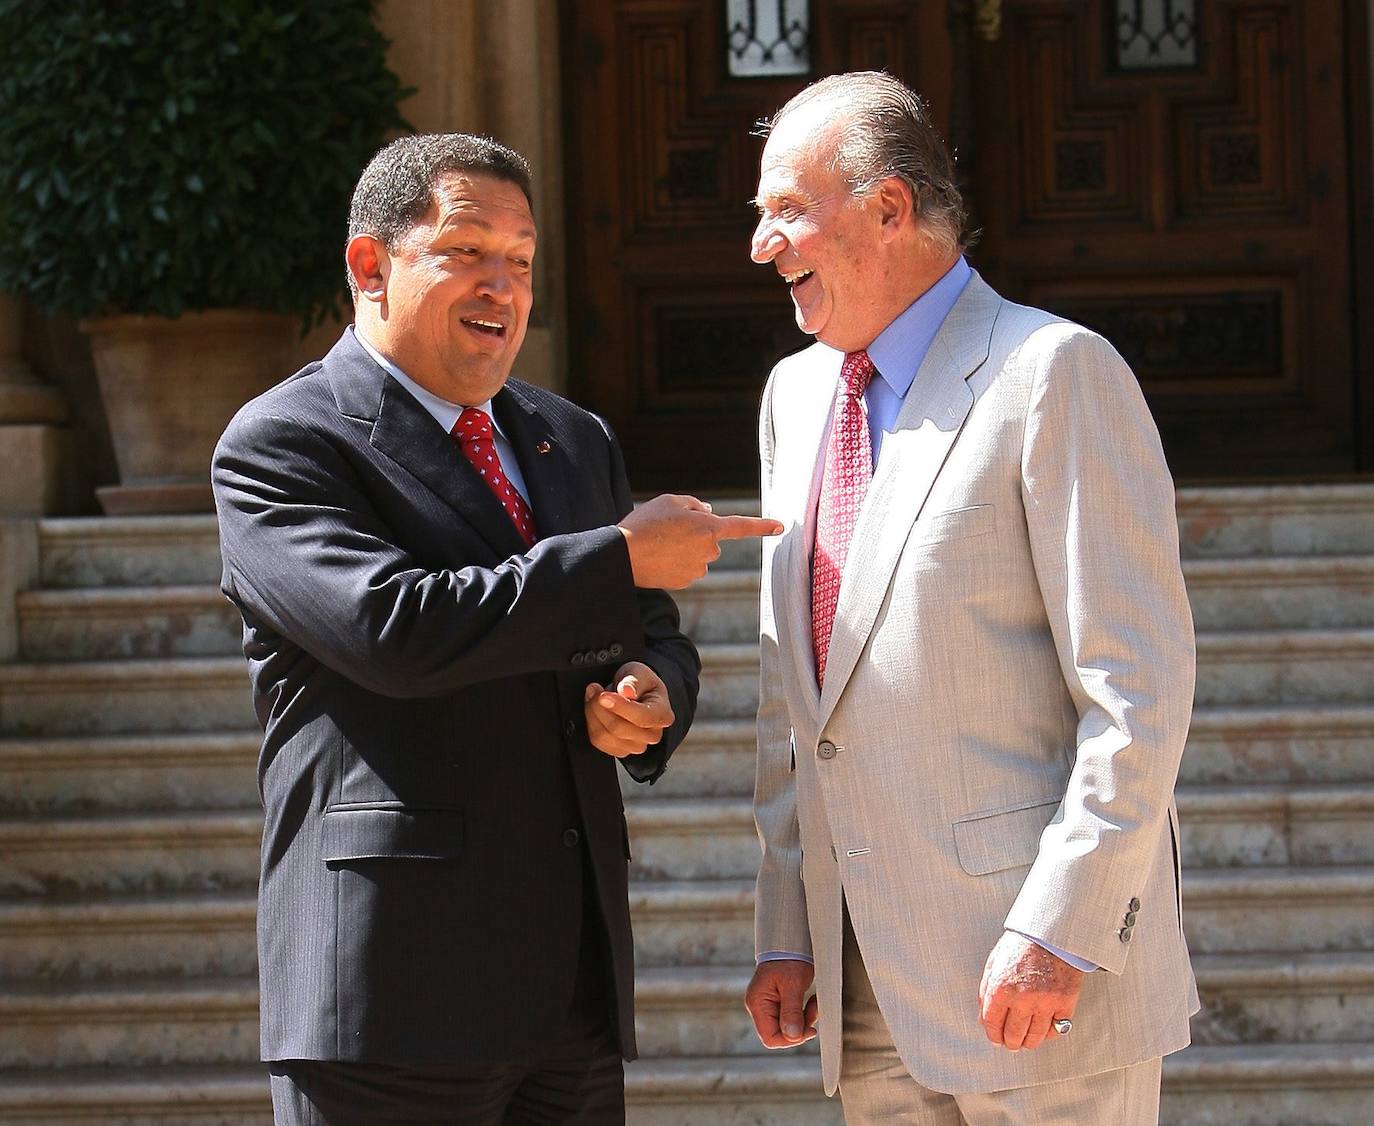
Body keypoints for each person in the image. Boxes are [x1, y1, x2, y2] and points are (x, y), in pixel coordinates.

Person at [212, 132, 780, 1125]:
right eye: (467, 251)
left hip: (568, 989)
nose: (502, 285)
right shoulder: (282, 444)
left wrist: (652, 695)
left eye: (521, 261)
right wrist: (615, 556)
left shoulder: (572, 437)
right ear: (369, 265)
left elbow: (648, 627)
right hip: (392, 995)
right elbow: (392, 628)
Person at [743, 72, 1198, 1124]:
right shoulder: (795, 394)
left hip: (1041, 980)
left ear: (891, 208)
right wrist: (787, 923)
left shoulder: (1054, 372)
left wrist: (1063, 928)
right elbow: (793, 692)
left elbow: (1138, 691)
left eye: (786, 210)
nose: (763, 246)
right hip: (864, 992)